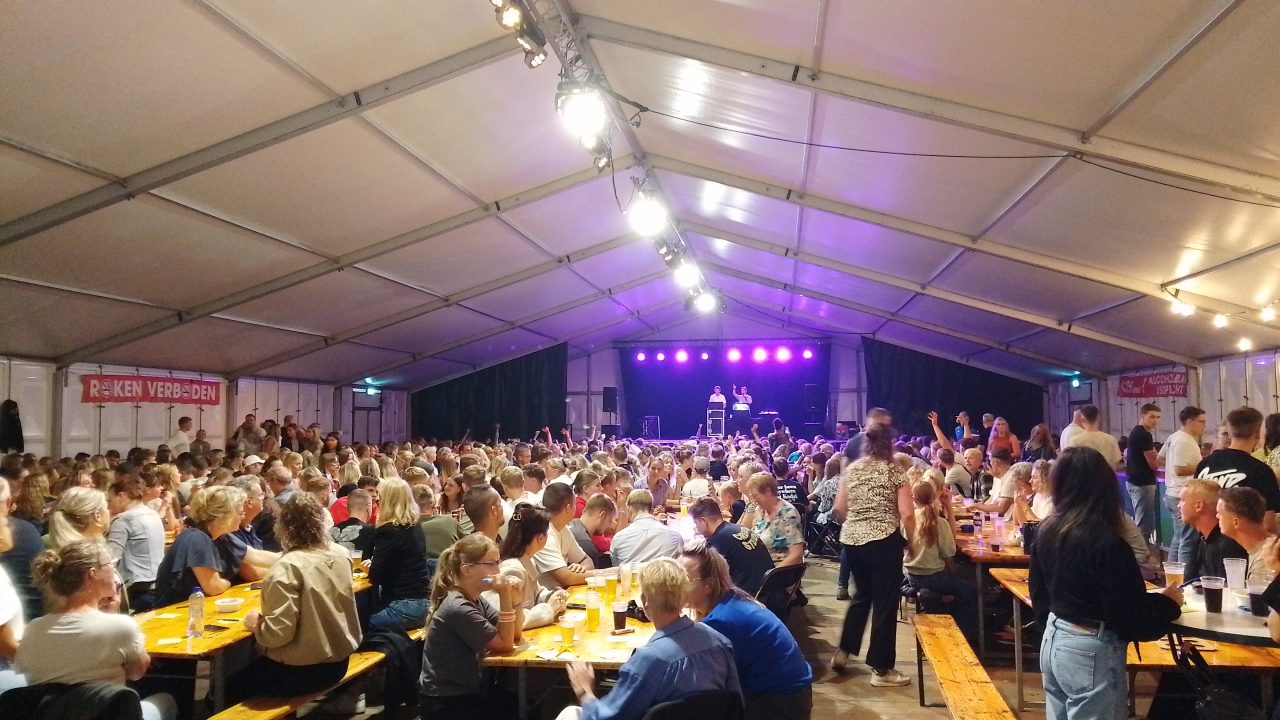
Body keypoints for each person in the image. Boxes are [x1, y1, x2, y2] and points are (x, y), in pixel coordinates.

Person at [1029, 447, 1182, 720]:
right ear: (1105, 487)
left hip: (1054, 637)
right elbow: (1130, 616)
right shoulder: (1107, 543)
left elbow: (1038, 595)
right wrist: (1169, 604)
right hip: (1090, 646)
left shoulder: (1047, 529)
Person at [559, 558, 741, 720]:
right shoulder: (720, 642)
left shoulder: (648, 660)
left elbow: (606, 717)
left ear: (644, 601)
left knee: (570, 713)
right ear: (684, 598)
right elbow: (734, 704)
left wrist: (585, 691)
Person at [16, 540, 176, 720]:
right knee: (166, 701)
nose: (115, 569)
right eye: (111, 564)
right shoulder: (121, 626)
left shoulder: (32, 630)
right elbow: (136, 673)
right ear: (92, 574)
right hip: (107, 715)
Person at [226, 493, 360, 700]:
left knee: (227, 688)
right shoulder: (341, 554)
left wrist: (257, 625)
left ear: (284, 527)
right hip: (340, 661)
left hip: (301, 670)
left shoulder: (286, 568)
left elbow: (279, 634)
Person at [678, 543, 811, 720]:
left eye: (684, 580)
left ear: (708, 585)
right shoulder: (732, 598)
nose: (675, 585)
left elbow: (701, 682)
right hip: (794, 694)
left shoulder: (719, 621)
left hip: (781, 704)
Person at [832, 423, 915, 687]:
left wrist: (856, 522)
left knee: (862, 595)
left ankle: (844, 650)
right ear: (890, 442)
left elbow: (839, 508)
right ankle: (881, 669)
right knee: (884, 603)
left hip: (852, 542)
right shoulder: (895, 470)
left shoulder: (853, 469)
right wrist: (910, 542)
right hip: (883, 541)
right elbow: (907, 513)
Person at [418, 534, 523, 720]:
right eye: (491, 564)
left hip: (466, 692)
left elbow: (514, 633)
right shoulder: (458, 607)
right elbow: (505, 643)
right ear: (467, 570)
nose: (498, 571)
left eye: (498, 563)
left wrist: (516, 601)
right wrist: (505, 596)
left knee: (521, 703)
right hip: (446, 701)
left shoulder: (475, 598)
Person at [903, 481, 977, 646]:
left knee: (952, 586)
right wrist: (954, 575)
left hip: (911, 575)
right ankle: (964, 635)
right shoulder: (939, 523)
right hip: (935, 576)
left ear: (913, 498)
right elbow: (948, 555)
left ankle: (934, 598)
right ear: (933, 497)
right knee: (969, 590)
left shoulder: (907, 520)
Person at [154, 486, 243, 605]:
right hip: (173, 612)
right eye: (240, 513)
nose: (243, 517)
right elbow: (213, 587)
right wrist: (229, 583)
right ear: (223, 515)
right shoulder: (198, 539)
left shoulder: (204, 536)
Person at [1196, 406, 1280, 531]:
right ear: (1257, 433)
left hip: (1209, 539)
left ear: (1230, 433)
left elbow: (1196, 508)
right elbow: (1268, 524)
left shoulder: (1204, 464)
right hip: (1244, 539)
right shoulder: (1261, 471)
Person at [488, 503, 568, 629]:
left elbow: (536, 593)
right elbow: (509, 619)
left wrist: (552, 596)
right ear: (540, 538)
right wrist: (549, 608)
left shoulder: (526, 560)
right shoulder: (513, 569)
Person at [366, 479, 431, 631]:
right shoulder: (415, 526)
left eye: (380, 498)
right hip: (424, 602)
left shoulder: (389, 531)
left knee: (358, 625)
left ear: (387, 501)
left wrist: (370, 567)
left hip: (403, 605)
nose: (377, 501)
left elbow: (376, 576)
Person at [688, 497, 773, 596]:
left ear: (703, 521)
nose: (696, 528)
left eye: (696, 523)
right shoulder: (737, 528)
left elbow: (709, 580)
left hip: (751, 597)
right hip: (770, 591)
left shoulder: (717, 542)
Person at [105, 475, 165, 612]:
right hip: (159, 582)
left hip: (138, 589)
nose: (109, 505)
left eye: (110, 500)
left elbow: (111, 558)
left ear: (122, 495)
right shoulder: (153, 514)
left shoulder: (123, 520)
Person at [1159, 406, 1207, 564]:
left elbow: (1160, 458)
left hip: (1173, 493)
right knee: (1187, 539)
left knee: (1178, 537)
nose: (1204, 426)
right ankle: (1183, 574)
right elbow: (1179, 469)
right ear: (1189, 421)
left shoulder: (1174, 437)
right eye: (1201, 422)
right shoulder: (1184, 441)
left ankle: (1173, 571)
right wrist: (1204, 465)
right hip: (1181, 494)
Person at [1179, 478, 1246, 582]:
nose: (1178, 505)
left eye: (1182, 500)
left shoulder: (1228, 545)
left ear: (1198, 506)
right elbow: (1188, 580)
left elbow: (1225, 589)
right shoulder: (1200, 539)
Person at [533, 483, 594, 588]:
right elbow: (566, 578)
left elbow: (587, 561)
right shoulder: (544, 534)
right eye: (575, 503)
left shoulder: (564, 530)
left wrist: (581, 568)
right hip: (545, 597)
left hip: (560, 594)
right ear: (568, 508)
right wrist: (608, 574)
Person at [744, 473, 804, 567]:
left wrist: (772, 572)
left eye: (755, 496)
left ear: (768, 491)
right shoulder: (759, 510)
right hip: (759, 565)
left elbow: (796, 554)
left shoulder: (787, 513)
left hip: (779, 568)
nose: (754, 500)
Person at [1216, 486, 1273, 585]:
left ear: (1236, 523)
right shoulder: (1264, 549)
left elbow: (1260, 596)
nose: (1217, 516)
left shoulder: (1265, 561)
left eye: (1220, 513)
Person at [610, 490, 682, 565]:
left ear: (629, 510)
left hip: (631, 572)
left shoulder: (618, 538)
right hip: (663, 572)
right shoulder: (675, 537)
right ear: (651, 511)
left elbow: (616, 567)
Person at [1125, 403, 1161, 541]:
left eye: (1158, 417)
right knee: (1144, 523)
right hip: (1142, 483)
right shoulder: (1144, 435)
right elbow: (1153, 464)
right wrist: (1159, 461)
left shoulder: (1136, 432)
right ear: (1142, 416)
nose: (1155, 420)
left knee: (1143, 521)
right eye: (1152, 416)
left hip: (1136, 481)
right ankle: (1140, 551)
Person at [569, 493, 616, 570]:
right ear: (602, 516)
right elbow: (591, 576)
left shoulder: (570, 525)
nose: (610, 526)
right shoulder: (586, 544)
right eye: (609, 520)